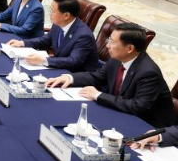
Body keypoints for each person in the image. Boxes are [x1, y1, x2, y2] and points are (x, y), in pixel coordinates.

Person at [47, 23, 176, 128]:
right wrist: (70, 78)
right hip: (121, 112)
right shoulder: (116, 59)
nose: (107, 45)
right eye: (109, 40)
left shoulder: (148, 72)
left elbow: (138, 107)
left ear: (129, 48)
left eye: (112, 42)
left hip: (147, 125)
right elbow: (97, 76)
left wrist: (98, 95)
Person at [6, 0, 99, 72]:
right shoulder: (58, 24)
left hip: (77, 76)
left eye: (53, 11)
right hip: (60, 68)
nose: (50, 14)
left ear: (66, 15)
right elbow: (45, 40)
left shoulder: (83, 35)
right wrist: (22, 43)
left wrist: (44, 60)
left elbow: (73, 61)